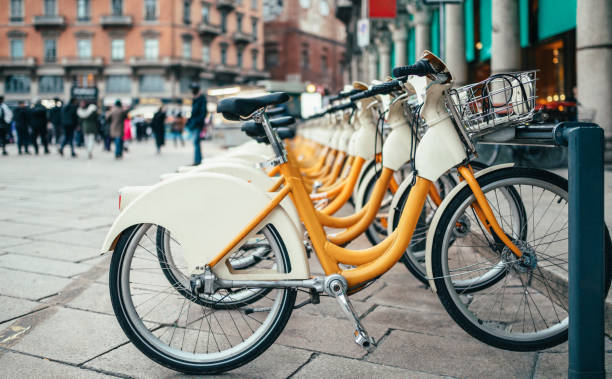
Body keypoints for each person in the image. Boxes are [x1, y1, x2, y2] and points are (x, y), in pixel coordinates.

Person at [186, 83, 207, 165]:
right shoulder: (196, 99)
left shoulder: (201, 99)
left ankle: (197, 161)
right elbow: (193, 113)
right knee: (196, 142)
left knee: (196, 142)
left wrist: (197, 122)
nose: (191, 92)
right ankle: (198, 159)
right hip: (195, 124)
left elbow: (203, 113)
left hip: (198, 125)